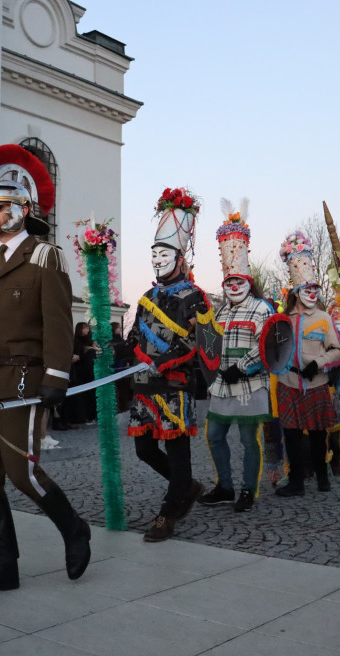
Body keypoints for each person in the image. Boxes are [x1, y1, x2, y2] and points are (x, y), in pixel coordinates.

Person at [0, 145, 90, 595]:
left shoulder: (44, 258)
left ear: (22, 210)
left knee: (22, 472)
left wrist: (56, 378)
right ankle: (2, 564)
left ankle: (74, 529)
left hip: (23, 383)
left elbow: (58, 323)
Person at [126, 187, 211, 541]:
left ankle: (169, 511)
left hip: (175, 385)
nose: (158, 259)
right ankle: (187, 487)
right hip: (145, 387)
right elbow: (134, 336)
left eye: (164, 253)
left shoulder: (196, 296)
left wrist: (164, 360)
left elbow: (200, 342)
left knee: (177, 453)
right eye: (154, 253)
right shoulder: (147, 297)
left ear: (180, 258)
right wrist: (117, 349)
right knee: (144, 449)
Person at [200, 202, 275, 512]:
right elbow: (211, 346)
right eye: (228, 282)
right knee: (214, 435)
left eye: (238, 281)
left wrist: (243, 368)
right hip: (221, 386)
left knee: (248, 440)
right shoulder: (219, 311)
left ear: (247, 282)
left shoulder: (262, 308)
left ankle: (248, 489)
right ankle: (225, 486)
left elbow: (268, 345)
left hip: (250, 386)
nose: (233, 286)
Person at [271, 231, 340, 497]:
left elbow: (337, 350)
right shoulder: (283, 319)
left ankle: (322, 476)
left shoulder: (324, 318)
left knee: (316, 434)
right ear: (296, 291)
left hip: (316, 383)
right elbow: (273, 348)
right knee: (290, 434)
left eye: (315, 289)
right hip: (288, 383)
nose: (312, 293)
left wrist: (319, 363)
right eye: (307, 289)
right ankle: (297, 481)